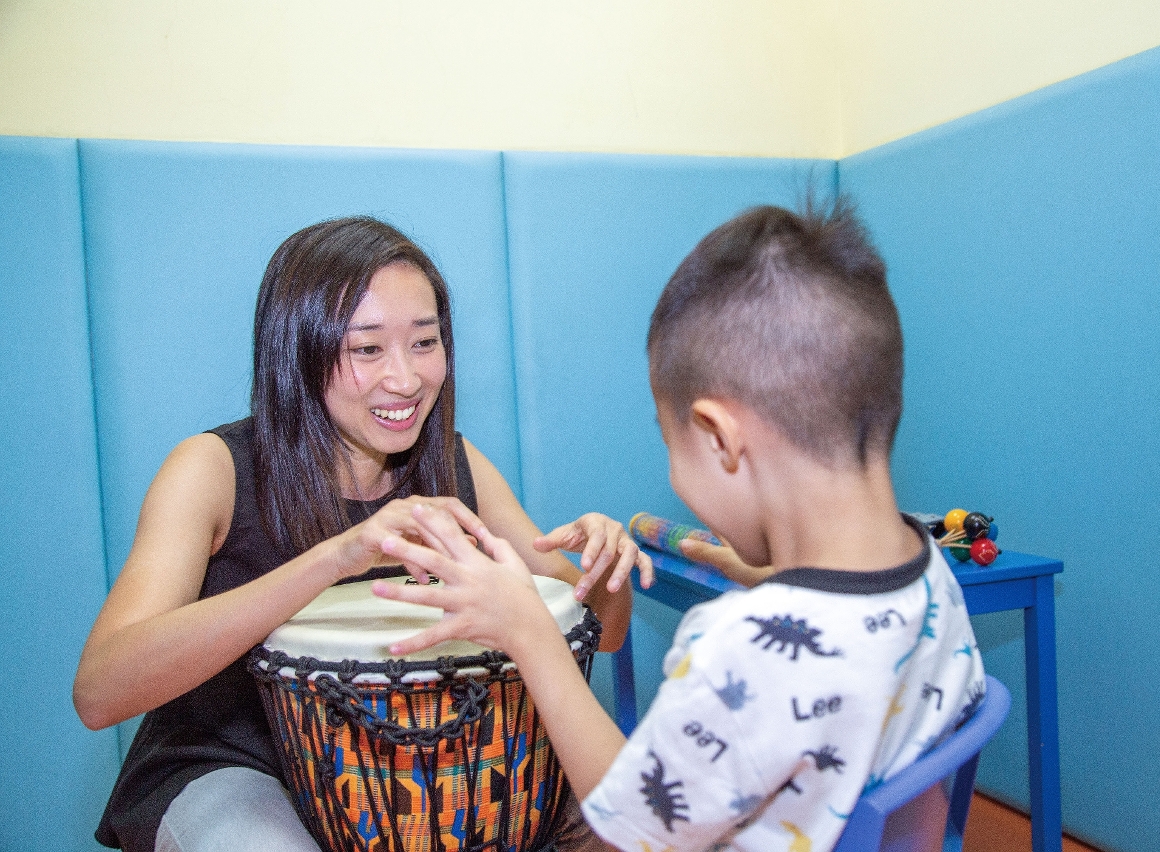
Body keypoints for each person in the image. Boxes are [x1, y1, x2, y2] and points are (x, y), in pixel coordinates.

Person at [371, 199, 986, 852]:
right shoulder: (931, 573)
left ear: (719, 439)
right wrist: (770, 579)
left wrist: (530, 633)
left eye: (671, 442)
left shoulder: (735, 646)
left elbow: (632, 833)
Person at [73, 216, 652, 852]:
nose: (405, 379)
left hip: (415, 771)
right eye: (366, 349)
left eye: (425, 343)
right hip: (233, 766)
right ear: (300, 351)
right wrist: (336, 558)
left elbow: (602, 629)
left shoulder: (457, 465)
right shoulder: (211, 470)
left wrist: (607, 570)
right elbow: (100, 692)